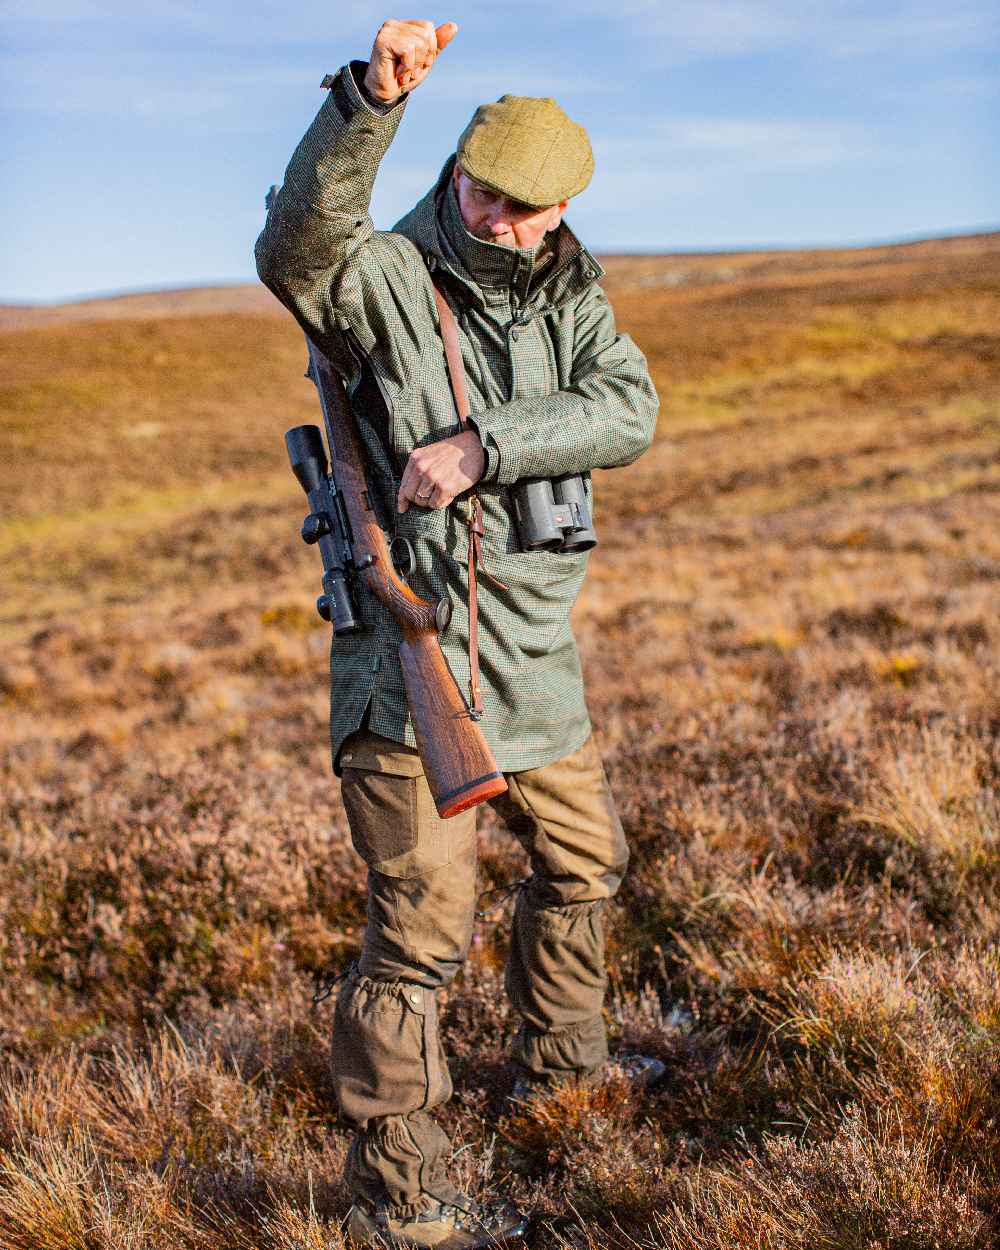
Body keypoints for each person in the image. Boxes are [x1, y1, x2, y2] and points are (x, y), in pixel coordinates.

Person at [256, 18, 660, 1249]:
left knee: (587, 863)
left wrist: (487, 445)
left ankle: (563, 1065)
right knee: (418, 939)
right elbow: (297, 245)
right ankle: (404, 1188)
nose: (492, 219)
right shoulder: (383, 274)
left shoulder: (574, 297)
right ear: (458, 171)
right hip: (407, 666)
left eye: (521, 207)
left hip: (535, 668)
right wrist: (367, 103)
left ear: (559, 215)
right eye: (480, 190)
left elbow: (627, 406)